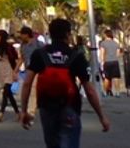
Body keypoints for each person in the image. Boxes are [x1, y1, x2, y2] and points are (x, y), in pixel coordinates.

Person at [20, 17, 110, 147]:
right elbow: (89, 90)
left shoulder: (40, 54)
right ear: (68, 34)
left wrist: (24, 111)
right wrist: (101, 116)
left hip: (47, 107)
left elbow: (27, 83)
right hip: (69, 107)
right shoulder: (76, 55)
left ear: (50, 33)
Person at [0, 29, 20, 122]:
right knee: (9, 94)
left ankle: (1, 112)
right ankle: (18, 113)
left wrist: (16, 71)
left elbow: (16, 59)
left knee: (6, 91)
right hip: (1, 70)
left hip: (9, 69)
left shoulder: (9, 47)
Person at [98, 29, 120, 97]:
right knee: (116, 77)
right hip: (115, 61)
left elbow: (102, 53)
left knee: (107, 77)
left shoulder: (103, 43)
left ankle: (104, 91)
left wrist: (101, 61)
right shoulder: (116, 43)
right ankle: (117, 92)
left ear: (106, 35)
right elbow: (118, 54)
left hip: (107, 62)